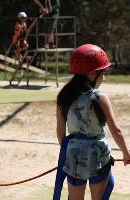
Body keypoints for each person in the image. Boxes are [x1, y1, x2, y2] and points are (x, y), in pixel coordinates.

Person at [55, 44, 130, 200]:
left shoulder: (63, 98)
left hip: (74, 156)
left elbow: (60, 135)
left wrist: (70, 153)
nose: (104, 78)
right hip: (98, 156)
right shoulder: (100, 97)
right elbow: (116, 130)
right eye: (102, 73)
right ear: (92, 73)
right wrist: (126, 153)